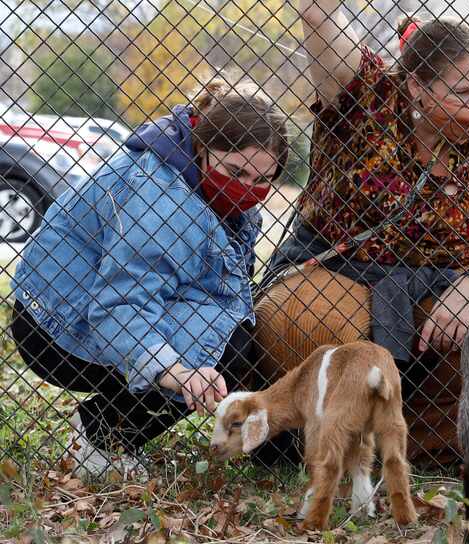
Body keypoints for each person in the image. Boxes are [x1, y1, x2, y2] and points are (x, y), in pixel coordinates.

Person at [253, 3, 469, 465]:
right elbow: (325, 33)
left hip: (444, 280)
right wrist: (319, 15)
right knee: (316, 324)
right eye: (463, 91)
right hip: (339, 269)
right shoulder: (368, 95)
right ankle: (312, 438)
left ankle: (415, 449)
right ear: (417, 86)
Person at [10, 79, 288, 480]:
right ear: (202, 147)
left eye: (261, 178)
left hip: (79, 311)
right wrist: (177, 371)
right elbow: (120, 304)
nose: (246, 188)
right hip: (55, 327)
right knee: (221, 343)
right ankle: (100, 439)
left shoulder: (196, 182)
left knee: (230, 332)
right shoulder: (161, 199)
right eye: (235, 171)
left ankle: (108, 425)